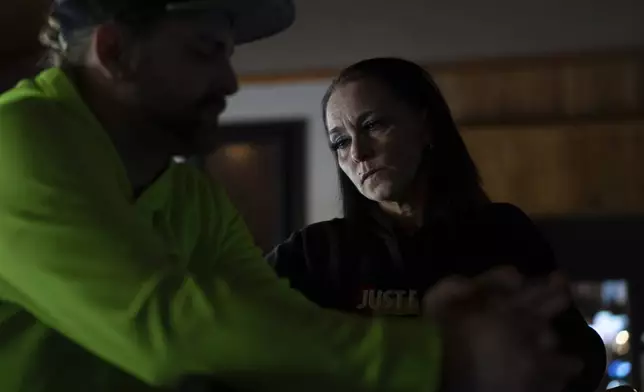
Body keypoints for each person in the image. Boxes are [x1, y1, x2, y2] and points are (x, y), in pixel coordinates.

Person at [0, 1, 584, 390]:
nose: (229, 81)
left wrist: (426, 337)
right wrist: (441, 356)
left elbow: (270, 322)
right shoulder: (17, 138)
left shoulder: (190, 198)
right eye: (206, 51)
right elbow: (165, 327)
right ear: (114, 52)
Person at [267, 57, 607, 392]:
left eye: (373, 125)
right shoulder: (315, 252)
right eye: (340, 141)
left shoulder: (502, 231)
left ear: (426, 126)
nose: (358, 152)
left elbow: (579, 358)